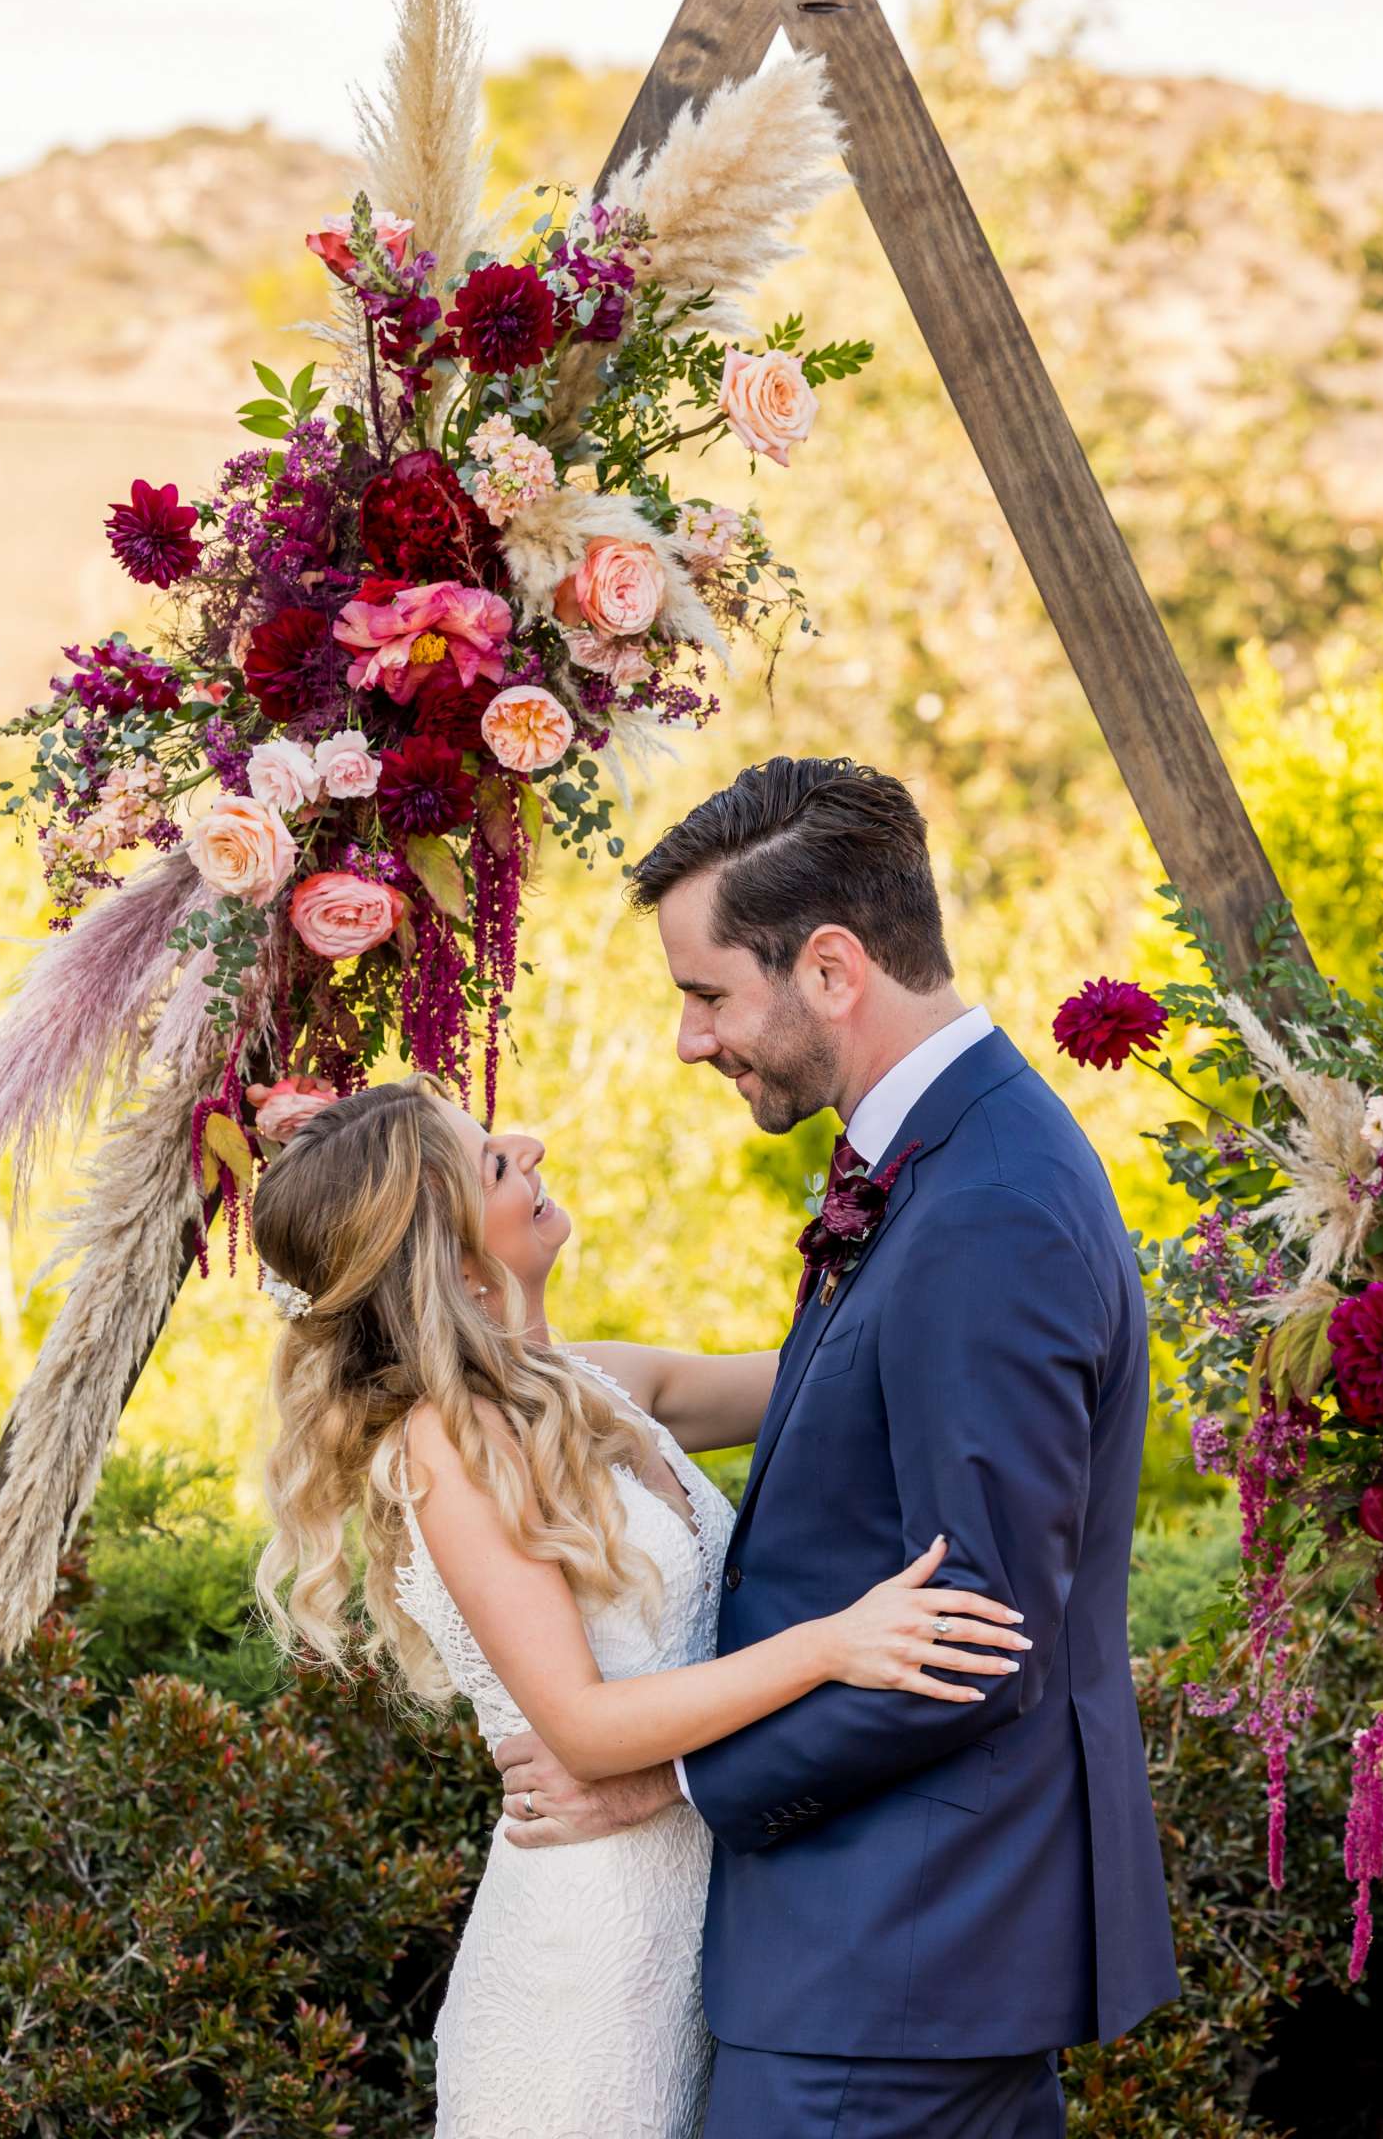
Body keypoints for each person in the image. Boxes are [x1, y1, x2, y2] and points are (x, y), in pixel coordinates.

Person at [495, 756, 1180, 2139]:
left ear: (829, 967)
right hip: (878, 1959)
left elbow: (980, 1631)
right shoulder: (937, 1157)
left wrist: (667, 1776)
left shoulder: (985, 1202)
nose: (691, 1041)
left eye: (706, 994)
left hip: (893, 1967)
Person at [250, 1068, 1030, 2139]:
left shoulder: (603, 1382)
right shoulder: (449, 1446)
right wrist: (832, 1646)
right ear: (452, 1258)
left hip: (709, 1920)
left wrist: (930, 1210)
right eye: (491, 1159)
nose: (526, 1143)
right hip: (589, 1968)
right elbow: (581, 1724)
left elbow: (834, 1374)